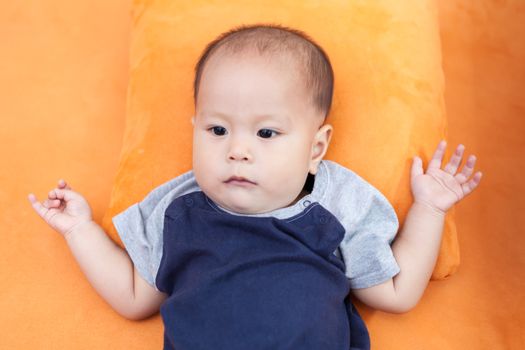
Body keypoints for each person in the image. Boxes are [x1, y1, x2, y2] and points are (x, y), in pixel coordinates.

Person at [28, 24, 482, 349]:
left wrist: (429, 210)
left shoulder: (338, 203)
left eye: (266, 133)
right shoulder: (178, 209)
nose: (237, 151)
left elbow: (396, 295)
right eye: (217, 130)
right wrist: (80, 230)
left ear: (316, 147)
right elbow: (133, 297)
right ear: (194, 128)